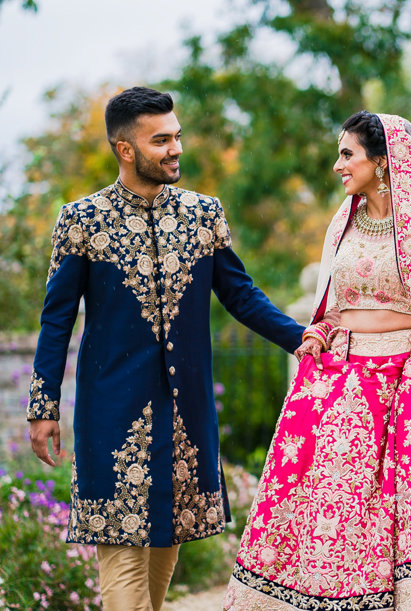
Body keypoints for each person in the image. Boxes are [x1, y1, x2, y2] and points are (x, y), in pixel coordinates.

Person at [26, 86, 308, 611]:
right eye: (161, 140)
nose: (176, 148)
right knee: (124, 571)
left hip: (186, 417)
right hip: (114, 418)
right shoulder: (82, 221)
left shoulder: (203, 215)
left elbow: (240, 295)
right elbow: (56, 319)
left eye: (177, 136)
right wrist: (43, 407)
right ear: (126, 149)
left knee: (160, 567)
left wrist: (302, 338)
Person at [224, 112, 411, 610]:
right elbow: (332, 305)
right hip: (336, 386)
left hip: (401, 389)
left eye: (347, 154)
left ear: (382, 160)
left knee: (397, 519)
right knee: (327, 518)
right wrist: (319, 332)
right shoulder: (343, 220)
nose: (338, 166)